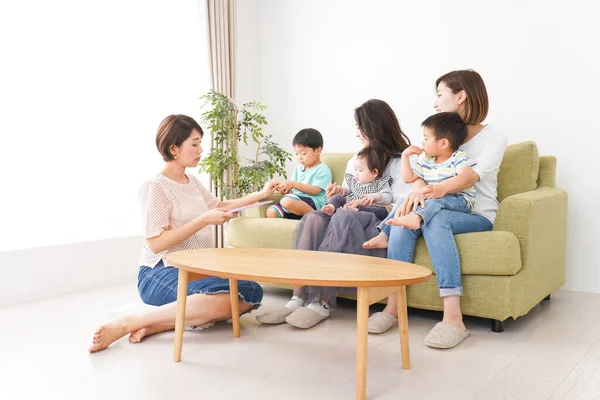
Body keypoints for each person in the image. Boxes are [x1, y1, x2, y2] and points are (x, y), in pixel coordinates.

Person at [89, 114, 277, 353]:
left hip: (195, 271)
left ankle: (160, 323)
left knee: (251, 291)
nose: (201, 150)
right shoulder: (155, 186)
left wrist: (261, 194)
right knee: (224, 298)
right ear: (173, 148)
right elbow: (156, 244)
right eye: (195, 144)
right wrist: (202, 221)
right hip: (160, 271)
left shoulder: (193, 181)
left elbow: (219, 206)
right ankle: (130, 323)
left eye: (200, 144)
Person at [365, 69, 508, 349]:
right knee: (409, 214)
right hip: (433, 204)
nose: (435, 102)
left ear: (461, 96)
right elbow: (421, 171)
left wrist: (436, 191)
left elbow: (469, 177)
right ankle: (393, 308)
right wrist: (417, 189)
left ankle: (453, 319)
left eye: (440, 95)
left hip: (474, 213)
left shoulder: (494, 138)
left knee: (435, 219)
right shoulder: (437, 134)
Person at [256, 99, 412, 329]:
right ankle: (297, 297)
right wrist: (335, 196)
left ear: (375, 126)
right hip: (348, 209)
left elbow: (399, 202)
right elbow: (346, 191)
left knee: (344, 216)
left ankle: (321, 301)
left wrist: (364, 203)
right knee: (314, 218)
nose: (357, 132)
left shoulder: (401, 162)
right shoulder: (357, 158)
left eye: (361, 126)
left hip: (375, 218)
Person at [392, 111, 476, 230]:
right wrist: (404, 156)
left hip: (460, 200)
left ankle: (416, 218)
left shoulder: (458, 157)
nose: (422, 142)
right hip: (436, 199)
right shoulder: (426, 160)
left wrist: (442, 188)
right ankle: (384, 232)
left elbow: (467, 175)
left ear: (443, 143)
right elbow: (408, 178)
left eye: (426, 138)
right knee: (403, 201)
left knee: (435, 201)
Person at [266, 128, 332, 220]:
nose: (299, 158)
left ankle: (317, 218)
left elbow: (316, 190)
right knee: (271, 211)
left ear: (318, 150)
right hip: (295, 203)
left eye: (303, 153)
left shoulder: (322, 169)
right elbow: (293, 190)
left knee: (286, 201)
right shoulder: (298, 170)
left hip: (312, 203)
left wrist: (293, 184)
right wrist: (285, 188)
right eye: (296, 154)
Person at [322, 146, 393, 221]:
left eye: (360, 170)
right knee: (338, 198)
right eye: (355, 169)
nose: (356, 173)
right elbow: (345, 192)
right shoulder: (354, 181)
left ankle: (357, 210)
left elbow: (388, 197)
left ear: (374, 172)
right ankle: (331, 207)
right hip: (351, 204)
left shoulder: (380, 183)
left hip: (366, 207)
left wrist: (375, 197)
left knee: (380, 210)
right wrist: (338, 190)